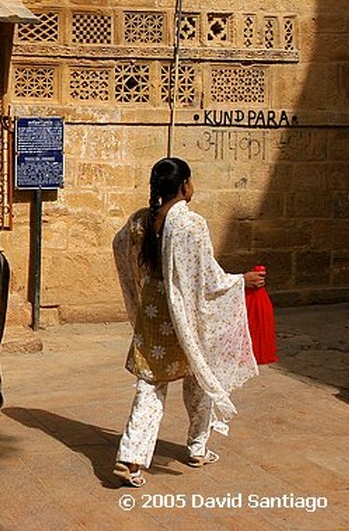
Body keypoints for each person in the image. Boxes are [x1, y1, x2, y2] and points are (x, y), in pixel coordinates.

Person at [111, 157, 262, 488]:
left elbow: (119, 245)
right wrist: (241, 282)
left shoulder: (141, 221)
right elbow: (208, 278)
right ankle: (197, 447)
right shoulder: (191, 224)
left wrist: (141, 284)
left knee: (150, 388)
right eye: (191, 181)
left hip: (153, 317)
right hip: (188, 318)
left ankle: (131, 458)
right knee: (199, 379)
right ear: (183, 186)